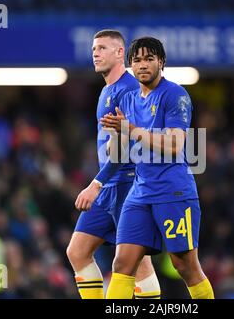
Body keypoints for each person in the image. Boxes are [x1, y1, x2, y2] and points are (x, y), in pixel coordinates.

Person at [100, 36, 214, 299]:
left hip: (173, 191)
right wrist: (114, 141)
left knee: (184, 265)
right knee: (122, 264)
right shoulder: (127, 100)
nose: (143, 65)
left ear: (161, 62)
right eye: (137, 60)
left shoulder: (175, 95)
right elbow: (120, 148)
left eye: (149, 58)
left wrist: (130, 130)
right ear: (130, 64)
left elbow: (175, 145)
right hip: (140, 193)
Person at [66, 30, 160, 299]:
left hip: (128, 185)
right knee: (78, 251)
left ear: (120, 53)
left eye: (103, 48)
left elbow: (128, 148)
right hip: (110, 184)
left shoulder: (131, 90)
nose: (95, 53)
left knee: (136, 260)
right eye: (94, 48)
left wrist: (95, 184)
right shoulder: (108, 90)